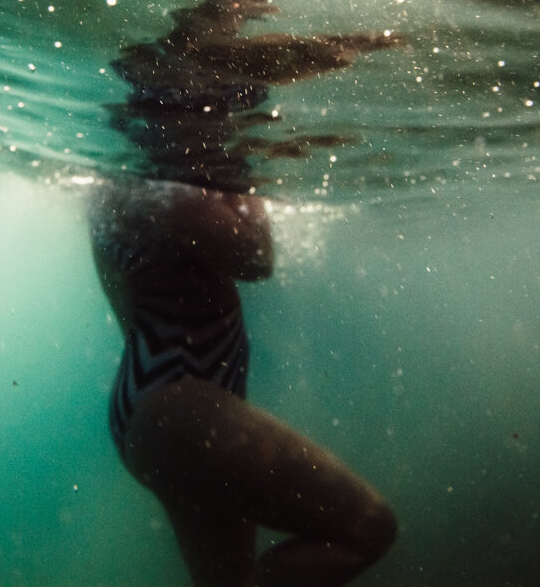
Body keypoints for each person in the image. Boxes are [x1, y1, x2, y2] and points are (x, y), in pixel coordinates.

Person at [88, 176, 397, 587]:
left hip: (159, 396)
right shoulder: (167, 182)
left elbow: (127, 305)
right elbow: (255, 258)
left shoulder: (121, 189)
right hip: (178, 401)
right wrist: (243, 177)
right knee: (368, 527)